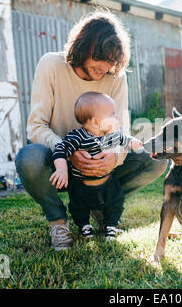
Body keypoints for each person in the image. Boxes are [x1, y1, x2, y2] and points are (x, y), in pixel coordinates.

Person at [15, 10, 167, 251]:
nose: (105, 66)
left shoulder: (114, 76)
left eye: (112, 60)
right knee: (28, 158)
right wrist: (65, 152)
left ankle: (102, 205)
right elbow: (35, 126)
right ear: (82, 46)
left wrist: (114, 157)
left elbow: (122, 127)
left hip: (100, 158)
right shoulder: (51, 65)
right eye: (100, 57)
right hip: (60, 161)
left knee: (156, 161)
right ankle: (58, 221)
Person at [50, 92, 143, 241]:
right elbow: (60, 149)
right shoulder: (77, 137)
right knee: (78, 207)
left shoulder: (111, 135)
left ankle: (111, 225)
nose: (117, 117)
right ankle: (84, 226)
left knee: (116, 201)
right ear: (95, 122)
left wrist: (134, 143)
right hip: (81, 185)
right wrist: (62, 169)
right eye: (112, 114)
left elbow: (125, 139)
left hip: (107, 182)